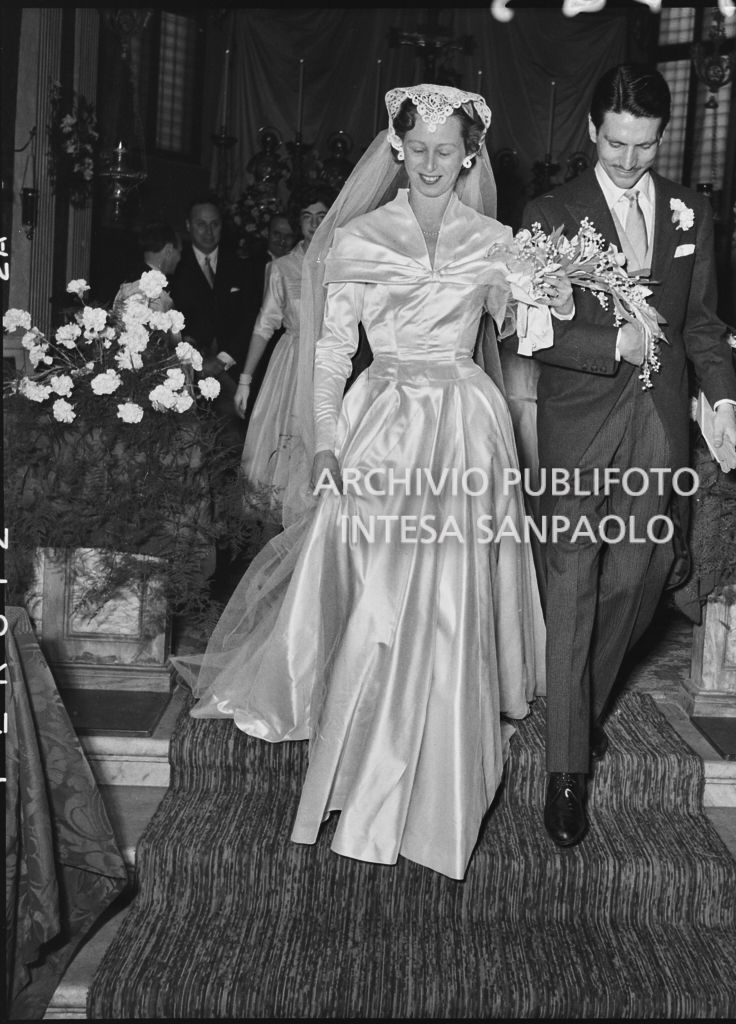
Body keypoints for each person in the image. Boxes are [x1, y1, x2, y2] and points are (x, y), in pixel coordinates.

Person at [175, 83, 566, 881]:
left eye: (445, 151)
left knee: (452, 592)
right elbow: (328, 354)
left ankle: (442, 756)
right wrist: (325, 443)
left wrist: (544, 300)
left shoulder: (495, 237)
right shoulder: (355, 238)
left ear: (468, 156)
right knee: (386, 592)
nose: (430, 164)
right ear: (396, 147)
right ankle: (368, 759)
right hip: (382, 424)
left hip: (464, 426)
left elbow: (523, 330)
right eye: (416, 148)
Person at [520, 64, 736, 848]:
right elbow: (529, 331)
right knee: (575, 577)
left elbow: (704, 323)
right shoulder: (549, 213)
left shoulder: (690, 211)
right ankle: (567, 768)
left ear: (662, 136)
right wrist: (611, 341)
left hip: (658, 419)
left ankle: (576, 704)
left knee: (646, 571)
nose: (627, 159)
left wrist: (721, 400)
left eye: (644, 145)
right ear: (591, 131)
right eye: (616, 142)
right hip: (580, 419)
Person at [233, 188, 332, 520]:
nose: (315, 224)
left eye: (321, 215)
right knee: (284, 440)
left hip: (332, 361)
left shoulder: (343, 261)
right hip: (292, 362)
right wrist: (245, 379)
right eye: (307, 217)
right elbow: (265, 323)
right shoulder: (283, 267)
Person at [170, 194, 262, 447]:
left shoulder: (242, 265)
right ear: (188, 225)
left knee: (233, 441)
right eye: (201, 224)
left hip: (231, 368)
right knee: (189, 443)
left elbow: (252, 316)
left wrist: (223, 359)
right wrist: (195, 360)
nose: (208, 231)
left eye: (215, 224)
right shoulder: (175, 265)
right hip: (186, 371)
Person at [112, 222, 181, 315]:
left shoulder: (131, 279)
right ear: (169, 250)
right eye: (180, 252)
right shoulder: (147, 289)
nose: (180, 258)